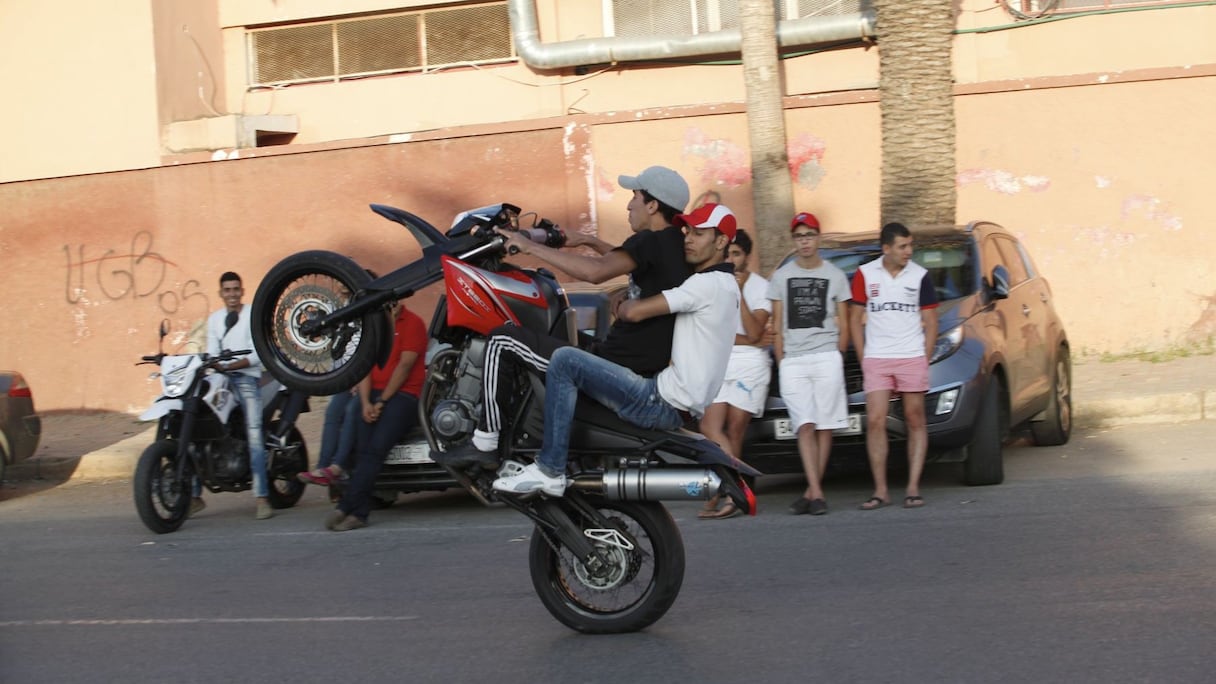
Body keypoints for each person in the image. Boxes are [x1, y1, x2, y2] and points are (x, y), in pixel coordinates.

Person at [438, 165, 693, 467]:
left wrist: (529, 246)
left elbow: (595, 272)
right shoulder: (677, 245)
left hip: (617, 371)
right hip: (628, 365)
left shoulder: (650, 241)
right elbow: (635, 261)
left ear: (652, 205)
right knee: (552, 339)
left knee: (502, 339)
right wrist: (589, 241)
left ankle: (485, 444)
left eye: (635, 196)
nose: (629, 204)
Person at [492, 203, 740, 496]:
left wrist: (624, 303)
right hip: (677, 405)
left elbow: (636, 312)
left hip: (656, 399)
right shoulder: (724, 284)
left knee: (565, 360)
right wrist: (591, 241)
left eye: (699, 234)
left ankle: (549, 468)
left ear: (722, 241)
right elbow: (641, 265)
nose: (688, 239)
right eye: (687, 231)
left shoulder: (704, 285)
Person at [849, 221, 939, 510]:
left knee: (915, 419)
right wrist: (864, 358)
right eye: (902, 246)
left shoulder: (920, 276)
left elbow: (931, 322)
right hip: (877, 356)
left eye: (910, 245)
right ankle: (880, 490)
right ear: (885, 248)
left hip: (911, 354)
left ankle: (912, 488)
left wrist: (923, 358)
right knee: (875, 420)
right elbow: (854, 319)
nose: (908, 251)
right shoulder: (865, 274)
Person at [766, 213, 852, 516]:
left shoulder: (835, 275)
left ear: (818, 238)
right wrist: (781, 358)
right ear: (794, 240)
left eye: (810, 235)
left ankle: (813, 492)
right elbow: (776, 323)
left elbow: (844, 319)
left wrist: (839, 353)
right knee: (804, 425)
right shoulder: (781, 277)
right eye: (800, 236)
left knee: (825, 426)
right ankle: (816, 491)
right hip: (794, 359)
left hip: (826, 354)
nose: (805, 241)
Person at [325, 299, 428, 531]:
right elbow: (364, 365)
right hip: (372, 396)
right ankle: (357, 512)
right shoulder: (374, 327)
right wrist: (364, 402)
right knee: (362, 451)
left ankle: (347, 507)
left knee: (374, 450)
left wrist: (382, 401)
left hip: (403, 396)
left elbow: (405, 366)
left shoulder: (413, 323)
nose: (390, 306)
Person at [697, 228, 771, 520]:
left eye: (737, 254)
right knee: (709, 427)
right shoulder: (715, 284)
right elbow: (713, 334)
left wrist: (739, 291)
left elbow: (754, 334)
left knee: (735, 428)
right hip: (721, 361)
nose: (731, 258)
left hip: (750, 364)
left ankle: (726, 493)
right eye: (728, 253)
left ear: (747, 257)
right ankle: (738, 485)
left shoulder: (761, 287)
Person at [193, 271, 274, 520]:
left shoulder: (252, 314)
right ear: (221, 293)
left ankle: (261, 497)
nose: (232, 294)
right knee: (197, 427)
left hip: (247, 378)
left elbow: (259, 353)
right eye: (227, 290)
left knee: (254, 433)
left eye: (236, 289)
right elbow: (213, 352)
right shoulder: (216, 319)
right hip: (221, 378)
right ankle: (194, 496)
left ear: (242, 291)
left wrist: (232, 366)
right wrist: (214, 366)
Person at [297, 387, 358, 490]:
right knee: (332, 413)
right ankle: (322, 468)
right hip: (353, 380)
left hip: (373, 381)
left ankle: (337, 466)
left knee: (351, 411)